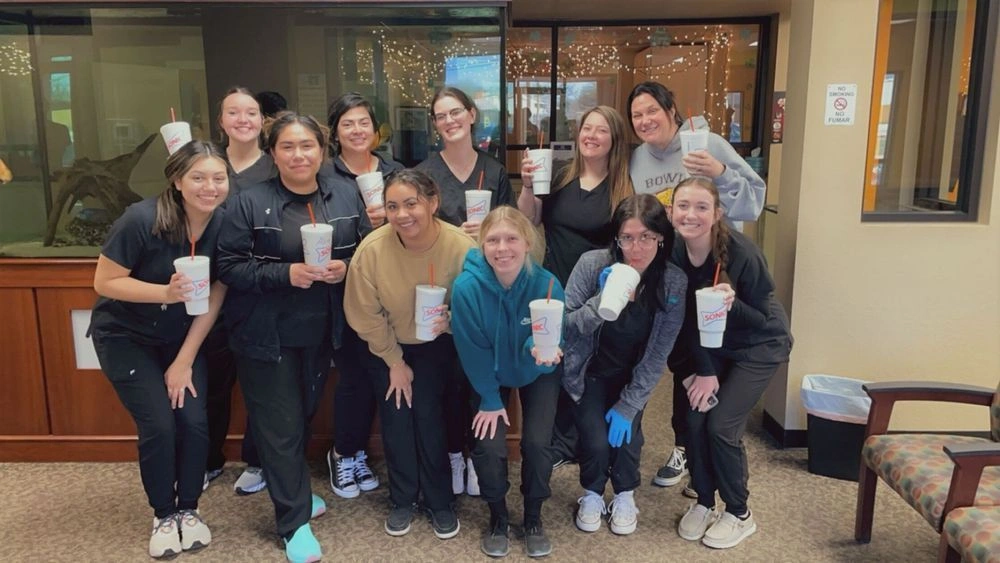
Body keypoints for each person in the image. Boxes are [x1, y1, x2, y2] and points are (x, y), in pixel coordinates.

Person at [216, 112, 371, 563]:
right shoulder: (249, 201)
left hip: (324, 328)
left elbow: (367, 245)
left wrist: (349, 265)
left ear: (323, 150)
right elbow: (228, 265)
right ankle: (293, 522)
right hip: (267, 333)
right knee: (280, 426)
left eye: (307, 146)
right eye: (287, 146)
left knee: (302, 413)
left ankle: (295, 493)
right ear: (272, 152)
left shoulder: (343, 193)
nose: (299, 154)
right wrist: (288, 273)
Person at [89, 140, 229, 559]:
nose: (210, 186)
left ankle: (189, 509)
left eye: (219, 178)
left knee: (194, 422)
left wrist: (185, 360)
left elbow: (216, 293)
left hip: (180, 340)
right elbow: (105, 282)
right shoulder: (142, 219)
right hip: (126, 337)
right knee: (160, 426)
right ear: (177, 180)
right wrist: (164, 292)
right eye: (198, 177)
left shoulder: (225, 225)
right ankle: (164, 514)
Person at [627, 80, 766, 494]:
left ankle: (717, 453)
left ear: (672, 111)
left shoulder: (708, 144)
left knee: (717, 358)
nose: (645, 120)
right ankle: (685, 448)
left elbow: (753, 202)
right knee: (684, 356)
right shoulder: (636, 159)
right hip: (672, 269)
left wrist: (720, 172)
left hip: (717, 268)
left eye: (652, 110)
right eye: (637, 115)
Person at [344, 168, 476, 540]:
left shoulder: (461, 246)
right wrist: (394, 362)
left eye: (411, 204)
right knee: (396, 417)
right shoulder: (371, 250)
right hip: (386, 345)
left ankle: (439, 501)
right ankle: (402, 499)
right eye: (392, 206)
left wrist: (451, 320)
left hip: (438, 344)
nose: (402, 215)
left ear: (433, 202)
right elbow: (364, 314)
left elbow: (477, 301)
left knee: (431, 417)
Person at [668, 176, 791, 550]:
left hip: (758, 344)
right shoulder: (673, 251)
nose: (691, 214)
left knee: (722, 425)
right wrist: (699, 372)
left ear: (717, 213)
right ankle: (705, 501)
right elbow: (685, 321)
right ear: (671, 211)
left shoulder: (742, 254)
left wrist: (729, 303)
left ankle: (739, 513)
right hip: (711, 348)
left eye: (702, 207)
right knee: (693, 418)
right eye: (683, 206)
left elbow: (762, 318)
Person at [562, 193, 686, 536]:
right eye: (628, 237)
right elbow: (566, 324)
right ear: (616, 238)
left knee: (628, 439)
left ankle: (626, 494)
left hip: (633, 376)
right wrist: (602, 301)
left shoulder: (672, 281)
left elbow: (659, 351)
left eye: (647, 237)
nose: (637, 247)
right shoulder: (592, 265)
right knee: (597, 442)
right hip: (588, 374)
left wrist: (630, 404)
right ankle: (591, 493)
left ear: (661, 238)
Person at [518, 105, 634, 467]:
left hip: (597, 291)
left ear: (614, 140)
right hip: (553, 284)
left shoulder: (622, 189)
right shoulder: (559, 178)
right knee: (556, 362)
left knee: (589, 366)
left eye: (601, 130)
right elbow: (530, 218)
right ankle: (560, 441)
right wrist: (525, 186)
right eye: (587, 128)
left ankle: (588, 444)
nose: (592, 136)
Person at [417, 86, 516, 497]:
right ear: (436, 125)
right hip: (441, 285)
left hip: (489, 288)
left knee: (484, 373)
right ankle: (454, 455)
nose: (450, 121)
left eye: (456, 112)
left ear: (472, 115)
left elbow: (513, 228)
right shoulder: (425, 173)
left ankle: (480, 454)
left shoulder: (493, 171)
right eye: (441, 116)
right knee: (448, 378)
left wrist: (489, 230)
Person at [450, 206, 564, 558]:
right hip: (488, 373)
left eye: (511, 239)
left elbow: (543, 341)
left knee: (537, 444)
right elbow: (472, 350)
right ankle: (497, 516)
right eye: (493, 240)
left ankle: (533, 516)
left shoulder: (547, 284)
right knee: (489, 446)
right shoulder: (467, 288)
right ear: (482, 245)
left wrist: (539, 351)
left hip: (536, 370)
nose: (503, 248)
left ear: (527, 243)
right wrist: (488, 398)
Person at [321, 92, 402, 500]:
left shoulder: (395, 171)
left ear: (376, 128)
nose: (357, 130)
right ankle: (346, 452)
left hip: (392, 291)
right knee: (353, 376)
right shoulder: (323, 177)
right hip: (345, 293)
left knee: (387, 374)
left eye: (364, 122)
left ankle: (372, 455)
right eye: (347, 123)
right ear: (336, 131)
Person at [203, 86, 275, 496]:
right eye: (234, 112)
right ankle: (209, 459)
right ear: (222, 121)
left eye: (251, 112)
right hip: (209, 287)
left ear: (262, 120)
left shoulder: (273, 168)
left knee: (259, 385)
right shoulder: (208, 165)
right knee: (212, 380)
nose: (243, 119)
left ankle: (258, 459)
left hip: (258, 289)